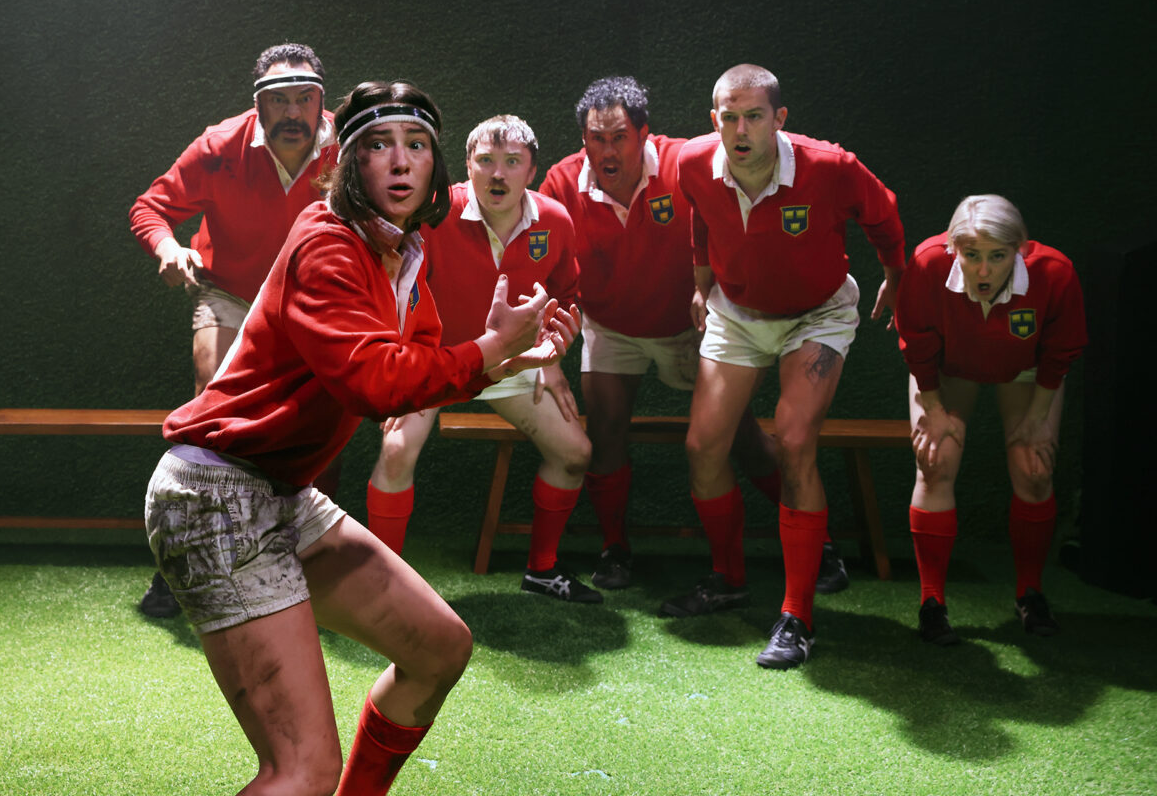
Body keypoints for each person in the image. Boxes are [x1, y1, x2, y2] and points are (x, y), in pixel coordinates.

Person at [143, 81, 580, 796]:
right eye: (379, 146)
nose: (401, 161)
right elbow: (374, 384)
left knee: (439, 648)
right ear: (349, 164)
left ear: (436, 167)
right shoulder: (327, 241)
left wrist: (503, 360)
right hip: (216, 496)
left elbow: (420, 368)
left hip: (283, 493)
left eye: (417, 145)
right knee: (302, 772)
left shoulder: (403, 252)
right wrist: (488, 350)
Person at [542, 76, 854, 595]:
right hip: (611, 326)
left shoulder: (687, 163)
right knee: (606, 432)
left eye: (619, 137)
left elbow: (731, 217)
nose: (607, 151)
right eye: (596, 138)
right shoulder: (561, 182)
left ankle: (818, 544)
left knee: (740, 438)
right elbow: (542, 260)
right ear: (583, 140)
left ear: (644, 133)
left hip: (689, 328)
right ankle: (615, 548)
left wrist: (710, 291)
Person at [674, 64, 904, 669]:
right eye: (729, 117)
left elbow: (883, 212)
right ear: (714, 119)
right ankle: (729, 578)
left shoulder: (829, 166)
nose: (740, 130)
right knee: (703, 448)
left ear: (779, 118)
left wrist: (897, 275)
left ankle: (797, 616)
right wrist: (701, 283)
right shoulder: (693, 162)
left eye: (754, 116)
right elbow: (699, 215)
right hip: (737, 312)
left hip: (817, 313)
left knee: (795, 441)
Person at [129, 43, 338, 618]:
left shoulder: (347, 148)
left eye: (305, 98)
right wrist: (168, 247)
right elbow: (150, 207)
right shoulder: (220, 146)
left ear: (320, 100)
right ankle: (178, 564)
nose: (292, 112)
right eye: (278, 99)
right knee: (211, 410)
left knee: (324, 414)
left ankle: (307, 558)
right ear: (258, 104)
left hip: (309, 300)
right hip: (230, 293)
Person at [366, 114, 598, 602]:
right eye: (486, 161)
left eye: (512, 162)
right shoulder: (432, 212)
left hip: (512, 363)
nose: (498, 174)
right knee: (396, 451)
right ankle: (384, 586)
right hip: (434, 358)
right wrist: (398, 363)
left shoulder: (555, 220)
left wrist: (551, 360)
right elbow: (391, 289)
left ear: (531, 170)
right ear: (467, 165)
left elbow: (565, 295)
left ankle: (542, 571)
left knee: (575, 453)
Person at [895, 195, 1087, 645]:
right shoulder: (927, 263)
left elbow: (1060, 352)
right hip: (947, 366)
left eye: (998, 256)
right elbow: (916, 343)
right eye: (971, 255)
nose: (983, 270)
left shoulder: (1054, 272)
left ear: (1019, 248)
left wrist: (1037, 419)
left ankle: (1030, 593)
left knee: (1034, 468)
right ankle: (932, 602)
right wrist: (934, 410)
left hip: (1026, 369)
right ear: (953, 249)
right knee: (935, 461)